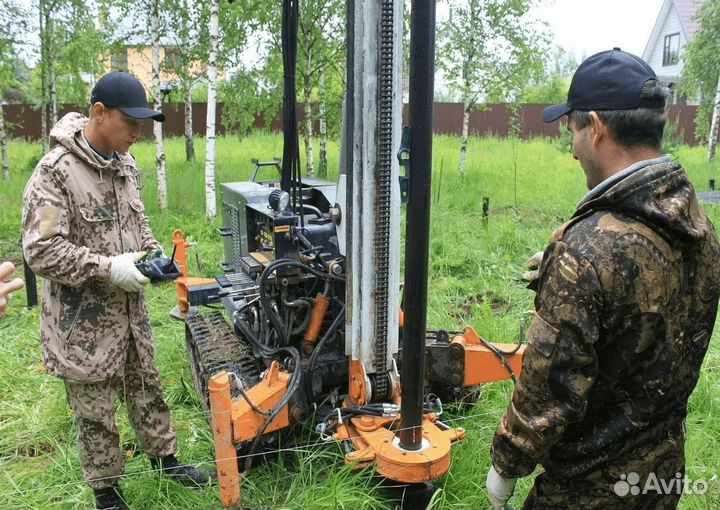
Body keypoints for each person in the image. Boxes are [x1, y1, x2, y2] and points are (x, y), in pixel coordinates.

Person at [485, 48, 720, 510]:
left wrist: (505, 466)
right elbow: (652, 317)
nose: (571, 148)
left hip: (586, 491)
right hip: (661, 478)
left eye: (571, 129)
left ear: (595, 126)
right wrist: (563, 278)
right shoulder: (700, 226)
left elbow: (551, 384)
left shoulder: (590, 249)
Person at [22, 72, 209, 510]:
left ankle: (165, 459)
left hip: (130, 309)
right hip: (82, 323)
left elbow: (137, 220)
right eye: (131, 122)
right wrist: (109, 268)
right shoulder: (54, 174)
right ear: (99, 114)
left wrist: (150, 254)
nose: (138, 133)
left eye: (144, 124)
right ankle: (106, 491)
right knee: (95, 409)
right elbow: (40, 250)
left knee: (146, 385)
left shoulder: (125, 164)